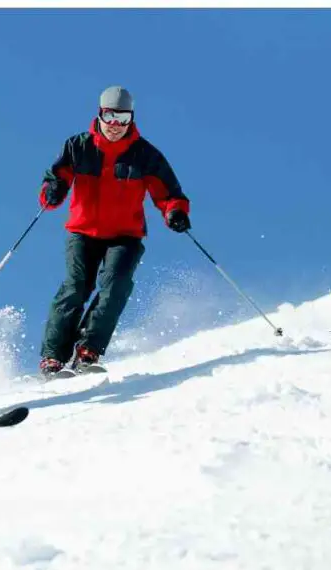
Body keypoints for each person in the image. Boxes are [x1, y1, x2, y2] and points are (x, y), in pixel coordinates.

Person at [37, 86, 191, 377]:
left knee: (115, 288)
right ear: (100, 113)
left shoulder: (145, 155)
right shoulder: (78, 146)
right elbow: (54, 178)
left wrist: (175, 212)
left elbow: (169, 193)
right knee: (75, 287)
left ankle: (88, 350)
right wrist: (53, 192)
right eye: (110, 116)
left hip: (125, 235)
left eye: (123, 118)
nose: (116, 125)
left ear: (131, 119)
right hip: (83, 231)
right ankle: (53, 358)